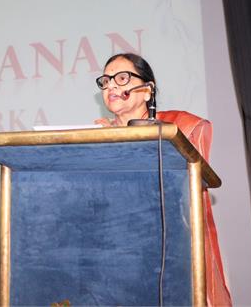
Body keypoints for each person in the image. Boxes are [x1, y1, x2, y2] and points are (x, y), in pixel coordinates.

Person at [94, 53, 232, 307]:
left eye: (121, 78)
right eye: (106, 81)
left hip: (169, 253)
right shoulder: (95, 136)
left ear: (147, 90)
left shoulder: (179, 127)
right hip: (115, 254)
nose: (111, 86)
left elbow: (183, 190)